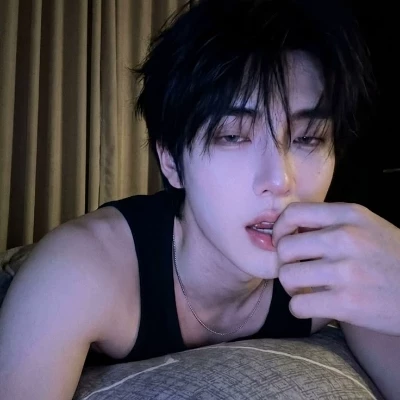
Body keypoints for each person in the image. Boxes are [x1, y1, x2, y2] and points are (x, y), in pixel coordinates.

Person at [1, 0, 399, 399]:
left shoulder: (338, 268)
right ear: (171, 160)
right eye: (233, 136)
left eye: (308, 138)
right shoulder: (76, 273)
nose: (280, 181)